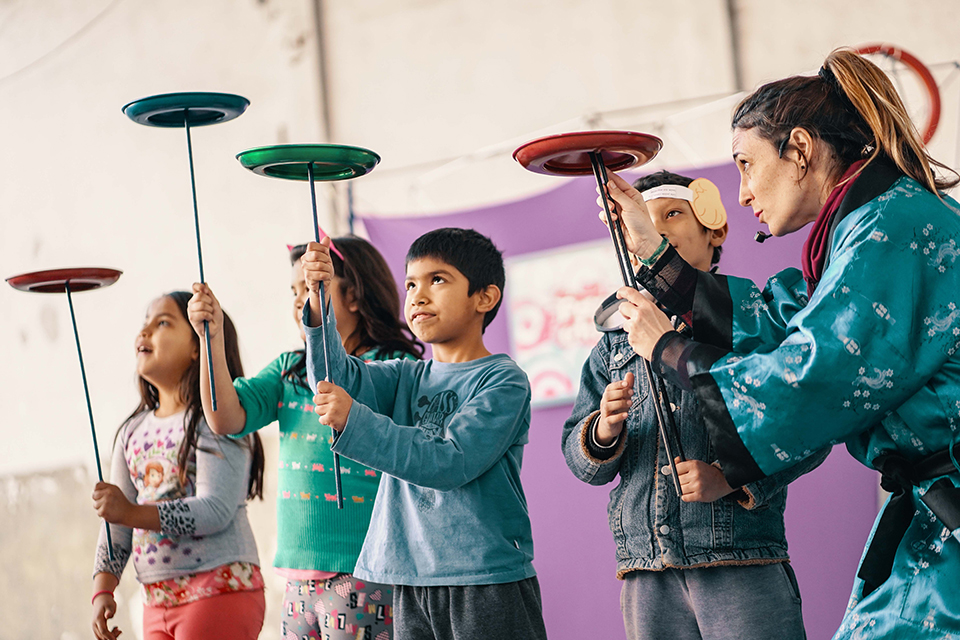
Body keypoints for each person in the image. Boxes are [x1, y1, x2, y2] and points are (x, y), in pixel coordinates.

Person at [604, 48, 960, 639]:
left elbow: (813, 372)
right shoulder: (867, 226)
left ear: (799, 149)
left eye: (746, 164)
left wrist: (670, 350)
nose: (743, 193)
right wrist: (653, 252)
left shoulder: (893, 229)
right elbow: (778, 319)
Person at [564, 170, 827, 639]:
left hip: (740, 560)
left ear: (715, 229)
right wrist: (603, 430)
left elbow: (807, 426)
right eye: (641, 224)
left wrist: (730, 478)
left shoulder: (753, 321)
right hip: (646, 568)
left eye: (671, 214)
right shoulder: (613, 346)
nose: (656, 230)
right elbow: (581, 459)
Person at [301, 228, 548, 640]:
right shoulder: (405, 376)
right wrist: (318, 299)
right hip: (410, 579)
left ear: (484, 297)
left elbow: (449, 461)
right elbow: (332, 378)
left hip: (484, 580)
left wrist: (356, 420)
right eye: (411, 284)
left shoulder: (504, 380)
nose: (417, 296)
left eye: (437, 280)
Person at [187, 237, 422, 640]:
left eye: (312, 287)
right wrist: (211, 338)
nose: (300, 300)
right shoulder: (288, 370)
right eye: (295, 291)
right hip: (298, 577)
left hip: (366, 568)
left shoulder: (393, 367)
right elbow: (225, 417)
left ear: (354, 297)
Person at [90, 291, 266, 640]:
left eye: (163, 323)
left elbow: (215, 509)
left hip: (219, 590)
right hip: (155, 602)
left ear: (198, 345)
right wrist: (103, 587)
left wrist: (130, 513)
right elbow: (115, 524)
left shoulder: (218, 419)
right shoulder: (130, 432)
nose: (144, 331)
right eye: (145, 323)